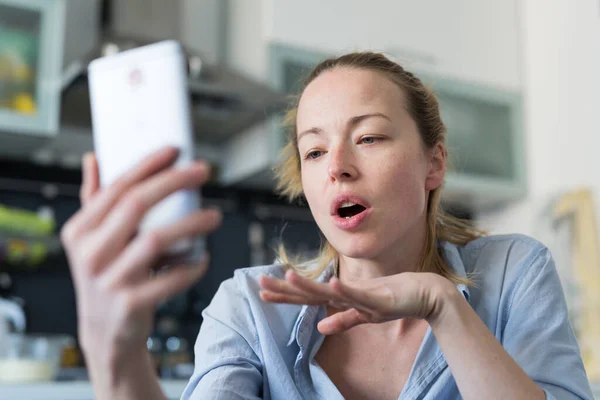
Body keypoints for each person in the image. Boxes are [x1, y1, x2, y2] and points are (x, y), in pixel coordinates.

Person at [61, 52, 594, 400]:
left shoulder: (513, 273)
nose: (336, 164)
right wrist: (117, 354)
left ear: (434, 163)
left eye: (368, 138)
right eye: (313, 150)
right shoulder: (250, 304)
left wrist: (444, 306)